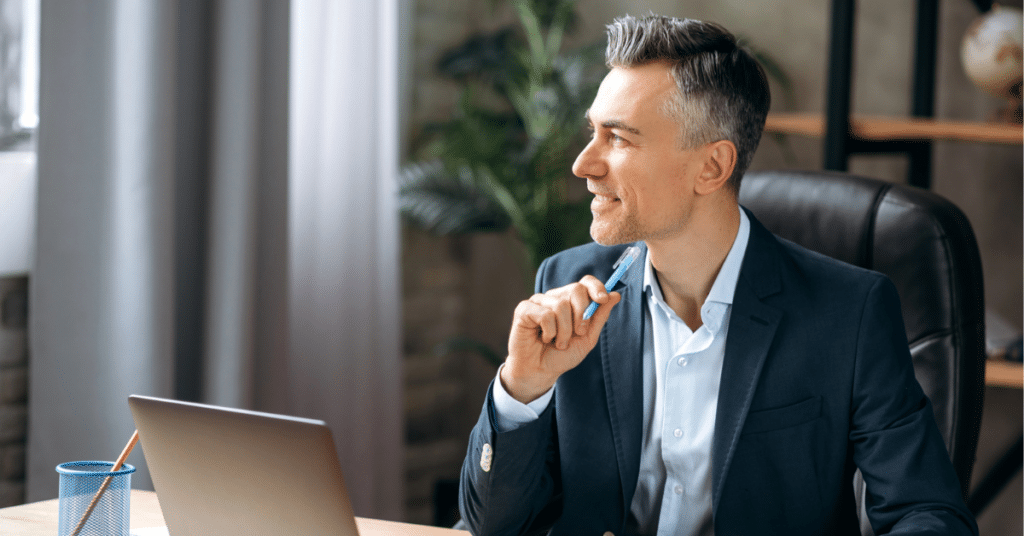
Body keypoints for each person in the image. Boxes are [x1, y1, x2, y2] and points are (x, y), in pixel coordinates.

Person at [458, 13, 978, 536]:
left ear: (712, 167)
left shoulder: (849, 312)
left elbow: (928, 514)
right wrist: (522, 388)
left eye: (617, 138)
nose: (583, 163)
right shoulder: (567, 284)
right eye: (592, 132)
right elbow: (492, 525)